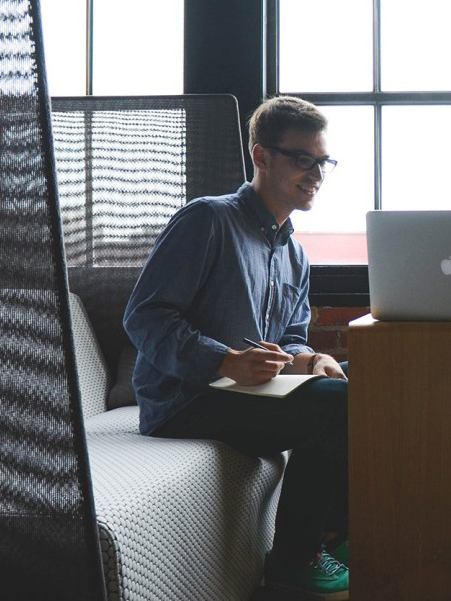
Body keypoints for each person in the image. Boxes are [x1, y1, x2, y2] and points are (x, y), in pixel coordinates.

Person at [123, 95, 350, 600]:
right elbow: (144, 316)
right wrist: (224, 360)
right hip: (186, 400)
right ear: (261, 156)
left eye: (323, 161)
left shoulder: (294, 253)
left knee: (361, 381)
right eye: (302, 159)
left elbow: (289, 337)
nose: (316, 173)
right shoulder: (207, 220)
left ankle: (336, 533)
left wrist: (310, 358)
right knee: (341, 405)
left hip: (251, 395)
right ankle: (294, 560)